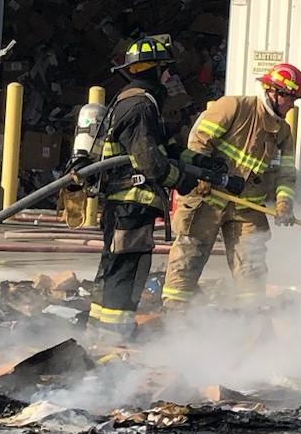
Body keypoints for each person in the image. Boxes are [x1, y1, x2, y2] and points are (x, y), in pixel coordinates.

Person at [86, 38, 235, 339]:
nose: (169, 77)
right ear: (153, 71)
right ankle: (114, 334)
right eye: (165, 70)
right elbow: (151, 162)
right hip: (130, 202)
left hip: (128, 204)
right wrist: (183, 182)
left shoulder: (139, 102)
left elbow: (169, 149)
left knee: (117, 263)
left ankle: (100, 331)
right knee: (126, 266)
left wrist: (207, 166)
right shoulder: (140, 105)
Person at [162, 62, 301, 309]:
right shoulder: (234, 107)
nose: (292, 105)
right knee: (190, 254)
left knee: (251, 262)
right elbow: (198, 143)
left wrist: (284, 202)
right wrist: (203, 177)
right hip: (207, 199)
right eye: (291, 98)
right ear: (276, 92)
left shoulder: (283, 132)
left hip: (246, 208)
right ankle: (175, 312)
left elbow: (286, 174)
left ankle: (251, 317)